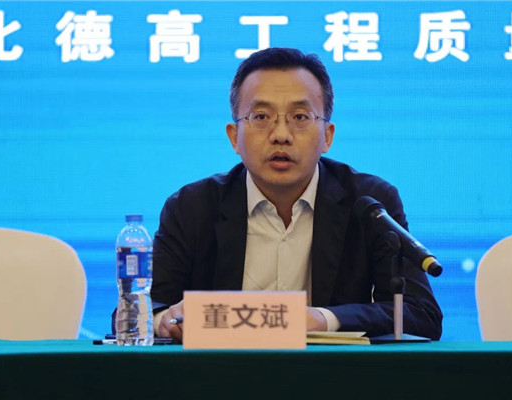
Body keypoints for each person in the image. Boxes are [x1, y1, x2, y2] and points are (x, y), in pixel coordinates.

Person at [152, 47, 442, 341]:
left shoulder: (369, 203)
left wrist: (322, 319)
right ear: (234, 137)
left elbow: (421, 314)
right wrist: (165, 319)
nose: (281, 135)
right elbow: (145, 307)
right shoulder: (191, 207)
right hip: (220, 368)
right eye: (261, 116)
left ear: (327, 136)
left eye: (300, 117)